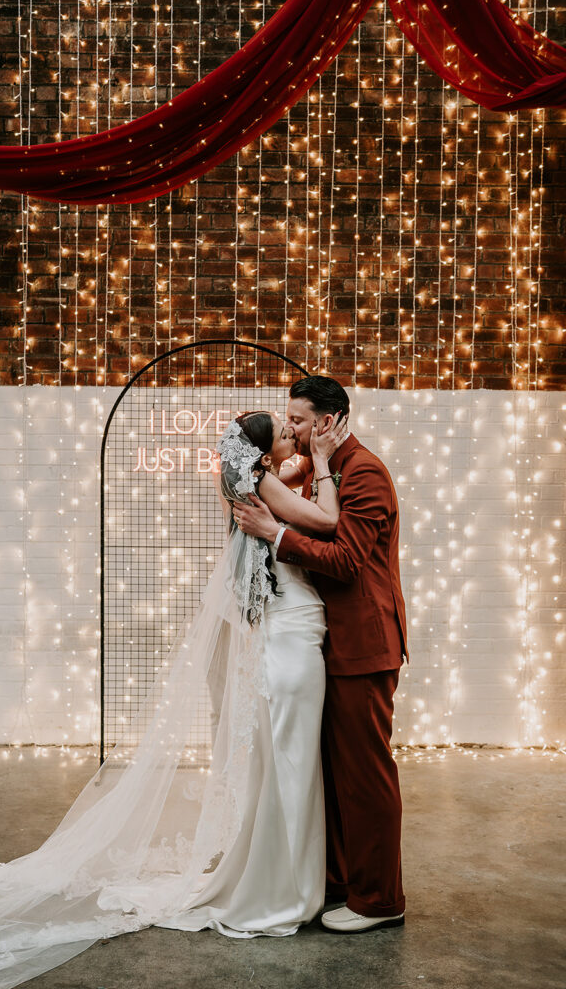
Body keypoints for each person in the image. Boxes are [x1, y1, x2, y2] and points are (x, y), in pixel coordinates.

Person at [0, 409, 347, 989]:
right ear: (266, 453)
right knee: (286, 760)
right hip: (288, 624)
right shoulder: (270, 486)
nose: (297, 437)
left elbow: (279, 478)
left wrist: (297, 463)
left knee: (277, 759)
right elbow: (326, 520)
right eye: (287, 432)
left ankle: (281, 873)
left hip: (282, 625)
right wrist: (321, 464)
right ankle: (279, 886)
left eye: (298, 426)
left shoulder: (246, 481)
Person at [233, 376, 408, 934]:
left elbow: (350, 558)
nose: (293, 430)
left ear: (329, 421)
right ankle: (338, 881)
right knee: (334, 774)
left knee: (365, 774)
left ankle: (380, 900)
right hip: (326, 644)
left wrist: (275, 536)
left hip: (363, 645)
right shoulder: (319, 469)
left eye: (300, 421)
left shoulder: (366, 472)